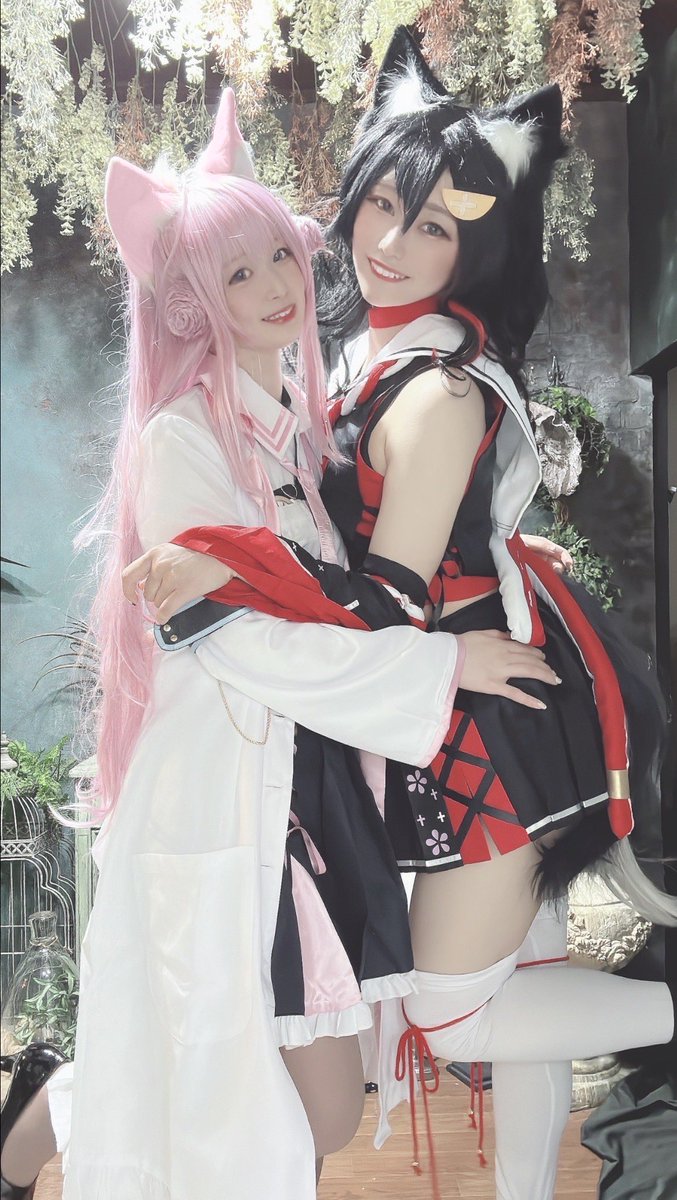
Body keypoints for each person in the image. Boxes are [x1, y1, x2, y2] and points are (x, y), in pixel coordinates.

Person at [129, 29, 677, 1200]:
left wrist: (225, 561)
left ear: (477, 246)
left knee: (456, 1010)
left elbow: (382, 600)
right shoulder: (350, 361)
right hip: (446, 698)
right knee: (523, 975)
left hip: (487, 713)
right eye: (380, 205)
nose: (387, 244)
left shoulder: (431, 391)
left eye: (431, 227)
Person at [0, 88, 560, 1200]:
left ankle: (40, 1108)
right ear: (189, 304)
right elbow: (246, 645)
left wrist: (491, 558)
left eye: (275, 259)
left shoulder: (299, 431)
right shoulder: (180, 439)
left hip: (306, 785)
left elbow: (331, 589)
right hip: (221, 788)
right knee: (271, 1096)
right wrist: (446, 663)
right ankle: (41, 1117)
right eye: (234, 276)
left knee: (271, 1094)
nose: (270, 288)